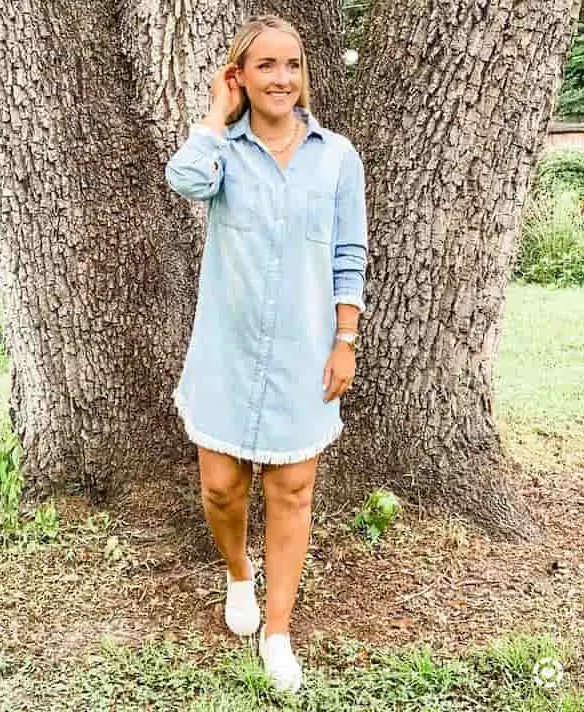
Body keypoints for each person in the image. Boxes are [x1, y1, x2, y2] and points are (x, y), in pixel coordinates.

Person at [164, 14, 368, 694]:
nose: (282, 78)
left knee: (293, 490)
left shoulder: (337, 156)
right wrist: (215, 117)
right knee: (222, 488)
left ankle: (277, 631)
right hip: (225, 352)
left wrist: (345, 340)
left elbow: (349, 255)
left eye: (293, 64)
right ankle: (237, 574)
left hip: (303, 355)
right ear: (240, 76)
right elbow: (185, 178)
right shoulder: (222, 153)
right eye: (266, 66)